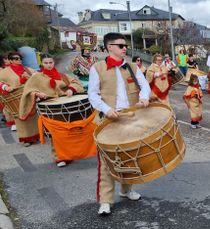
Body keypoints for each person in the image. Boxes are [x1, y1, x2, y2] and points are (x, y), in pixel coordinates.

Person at [88, 32, 151, 216]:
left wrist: (144, 97)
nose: (125, 48)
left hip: (130, 119)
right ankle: (105, 200)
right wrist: (106, 109)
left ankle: (126, 190)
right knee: (107, 163)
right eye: (121, 45)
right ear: (109, 47)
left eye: (125, 46)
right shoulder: (97, 68)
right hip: (108, 121)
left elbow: (144, 85)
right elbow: (92, 94)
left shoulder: (132, 66)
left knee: (130, 157)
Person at [20, 54, 86, 167]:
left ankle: (68, 154)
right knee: (55, 133)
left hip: (64, 106)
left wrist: (71, 89)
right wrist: (37, 93)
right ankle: (59, 157)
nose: (49, 65)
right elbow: (28, 91)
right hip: (49, 108)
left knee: (67, 133)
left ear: (54, 63)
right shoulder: (36, 77)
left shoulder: (62, 76)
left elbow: (76, 82)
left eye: (51, 62)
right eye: (46, 63)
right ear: (42, 64)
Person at [0, 52, 38, 146]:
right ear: (11, 60)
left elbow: (38, 77)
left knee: (33, 117)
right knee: (21, 118)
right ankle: (26, 139)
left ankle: (35, 136)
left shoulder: (27, 69)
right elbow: (0, 82)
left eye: (20, 58)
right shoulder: (4, 72)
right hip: (16, 98)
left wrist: (29, 76)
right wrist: (5, 87)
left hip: (29, 96)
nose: (19, 60)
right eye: (16, 59)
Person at [0, 54, 15, 128]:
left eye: (7, 59)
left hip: (13, 89)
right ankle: (10, 121)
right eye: (4, 59)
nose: (5, 60)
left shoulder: (14, 68)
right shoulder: (2, 69)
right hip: (4, 89)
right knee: (6, 106)